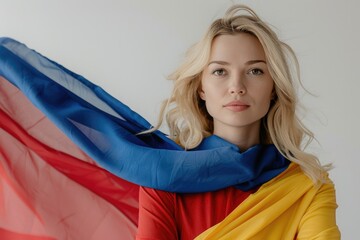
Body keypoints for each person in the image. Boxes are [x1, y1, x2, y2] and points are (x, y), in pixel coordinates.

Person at [136, 4, 340, 240]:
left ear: (274, 87)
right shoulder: (164, 177)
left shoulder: (309, 185)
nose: (237, 87)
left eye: (255, 71)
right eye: (220, 71)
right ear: (200, 87)